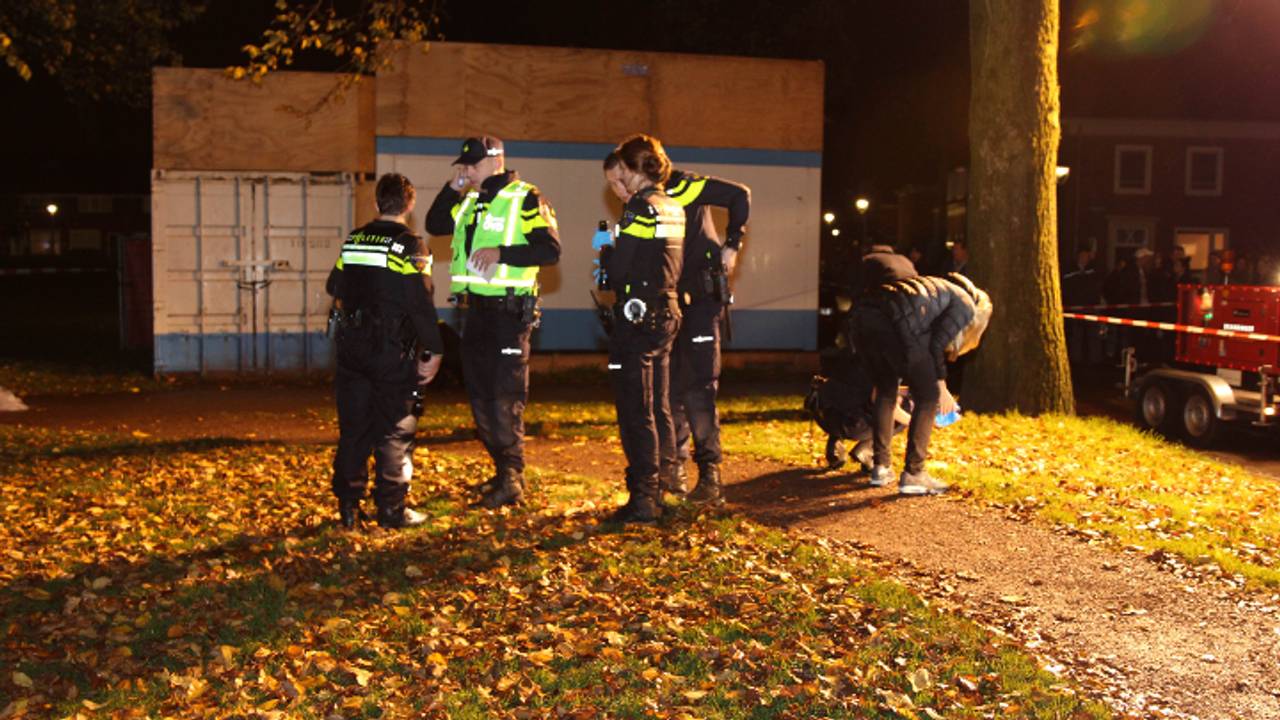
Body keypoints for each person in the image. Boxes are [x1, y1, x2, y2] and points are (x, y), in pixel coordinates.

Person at [425, 136, 561, 508]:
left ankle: (512, 477)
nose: (466, 170)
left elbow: (550, 249)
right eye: (463, 164)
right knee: (480, 393)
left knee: (505, 396)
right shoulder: (469, 200)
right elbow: (435, 223)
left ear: (497, 160)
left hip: (508, 312)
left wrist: (502, 252)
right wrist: (453, 188)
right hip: (476, 312)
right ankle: (502, 471)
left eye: (473, 164)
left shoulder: (525, 196)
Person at [327, 173, 444, 529]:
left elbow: (335, 284)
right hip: (392, 351)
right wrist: (435, 350)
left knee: (354, 428)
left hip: (351, 348)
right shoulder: (410, 245)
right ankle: (391, 509)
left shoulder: (355, 240)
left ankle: (349, 508)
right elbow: (420, 304)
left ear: (377, 203)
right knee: (394, 428)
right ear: (409, 205)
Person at [600, 134, 686, 523]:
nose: (618, 188)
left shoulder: (639, 209)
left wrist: (608, 247)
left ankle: (643, 499)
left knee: (637, 408)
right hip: (667, 310)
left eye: (620, 179)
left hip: (638, 316)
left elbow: (618, 272)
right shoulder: (673, 206)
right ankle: (668, 482)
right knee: (660, 403)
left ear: (635, 170)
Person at [849, 251, 981, 496]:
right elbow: (935, 344)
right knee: (928, 396)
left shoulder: (929, 289)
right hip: (893, 325)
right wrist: (941, 388)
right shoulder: (965, 303)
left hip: (861, 321)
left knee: (886, 392)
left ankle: (881, 467)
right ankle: (915, 473)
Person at [659, 165, 751, 505]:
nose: (620, 188)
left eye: (622, 178)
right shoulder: (642, 199)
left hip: (700, 300)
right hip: (667, 301)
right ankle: (675, 471)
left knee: (698, 389)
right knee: (667, 388)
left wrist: (732, 245)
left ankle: (710, 476)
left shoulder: (684, 185)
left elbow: (740, 194)